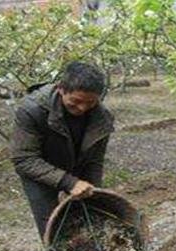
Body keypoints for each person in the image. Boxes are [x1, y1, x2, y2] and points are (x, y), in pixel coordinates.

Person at [10, 61, 115, 240]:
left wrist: (93, 192)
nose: (82, 108)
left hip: (76, 163)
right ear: (61, 89)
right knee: (52, 224)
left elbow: (94, 161)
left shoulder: (102, 118)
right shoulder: (32, 109)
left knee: (89, 216)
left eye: (90, 103)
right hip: (40, 168)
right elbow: (24, 159)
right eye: (75, 102)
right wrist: (68, 183)